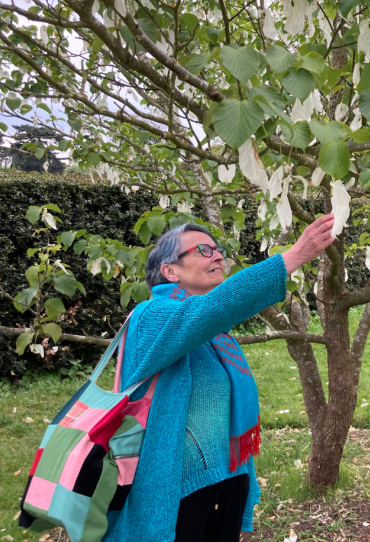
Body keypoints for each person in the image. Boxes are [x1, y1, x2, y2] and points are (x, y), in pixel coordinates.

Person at [107, 215, 335, 542]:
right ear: (169, 271)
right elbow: (214, 308)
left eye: (218, 249)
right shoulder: (150, 316)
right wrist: (293, 256)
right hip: (178, 490)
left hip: (225, 480)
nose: (217, 256)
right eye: (203, 250)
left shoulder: (213, 334)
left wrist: (242, 480)